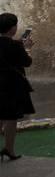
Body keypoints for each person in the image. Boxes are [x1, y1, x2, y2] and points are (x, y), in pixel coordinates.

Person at [0, 13, 34, 161]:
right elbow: (27, 62)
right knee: (11, 118)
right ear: (13, 28)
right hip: (12, 85)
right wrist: (26, 48)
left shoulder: (13, 45)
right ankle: (9, 149)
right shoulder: (16, 46)